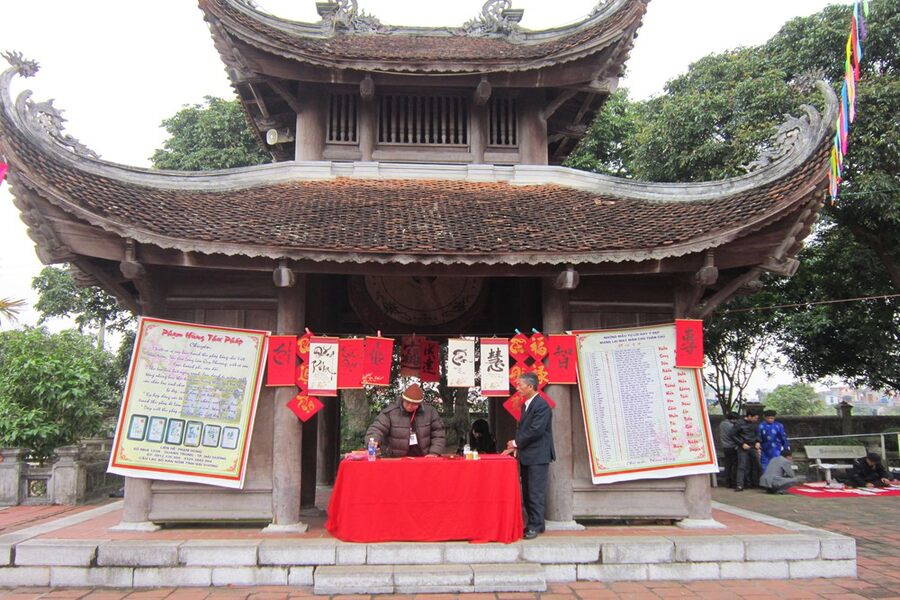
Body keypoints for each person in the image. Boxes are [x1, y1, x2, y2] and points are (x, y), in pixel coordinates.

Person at [504, 372, 555, 540]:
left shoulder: (542, 405)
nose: (517, 388)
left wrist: (516, 443)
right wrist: (517, 445)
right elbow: (525, 430)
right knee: (527, 491)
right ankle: (537, 523)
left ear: (531, 386)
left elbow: (536, 430)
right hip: (528, 455)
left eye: (520, 385)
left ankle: (534, 525)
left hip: (538, 456)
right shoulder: (527, 405)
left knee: (535, 492)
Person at [365, 383, 445, 457]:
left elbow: (438, 433)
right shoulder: (390, 412)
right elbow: (377, 428)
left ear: (419, 404)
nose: (410, 406)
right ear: (403, 399)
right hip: (396, 458)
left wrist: (434, 452)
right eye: (407, 403)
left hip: (423, 457)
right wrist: (373, 440)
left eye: (414, 404)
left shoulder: (430, 412)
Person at [730, 407, 762, 491]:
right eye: (755, 418)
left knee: (758, 464)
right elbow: (733, 435)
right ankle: (739, 485)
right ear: (749, 416)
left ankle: (759, 482)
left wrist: (758, 441)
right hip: (743, 446)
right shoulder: (739, 423)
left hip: (753, 446)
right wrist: (741, 443)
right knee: (742, 465)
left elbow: (757, 433)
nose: (756, 419)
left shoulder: (755, 424)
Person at [718, 412, 739, 488]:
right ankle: (732, 482)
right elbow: (734, 436)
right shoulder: (731, 426)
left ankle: (727, 482)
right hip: (732, 446)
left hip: (725, 446)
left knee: (727, 465)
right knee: (734, 465)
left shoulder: (721, 424)